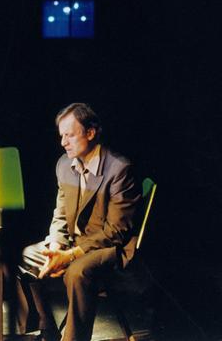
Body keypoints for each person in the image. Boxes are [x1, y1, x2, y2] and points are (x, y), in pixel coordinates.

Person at [16, 103, 141, 341]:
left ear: (90, 132)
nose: (63, 142)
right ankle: (47, 329)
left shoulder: (119, 170)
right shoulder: (64, 165)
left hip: (110, 248)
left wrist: (70, 255)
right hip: (74, 243)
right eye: (61, 136)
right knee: (25, 257)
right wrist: (55, 247)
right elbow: (61, 213)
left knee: (77, 271)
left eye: (70, 135)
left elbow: (116, 231)